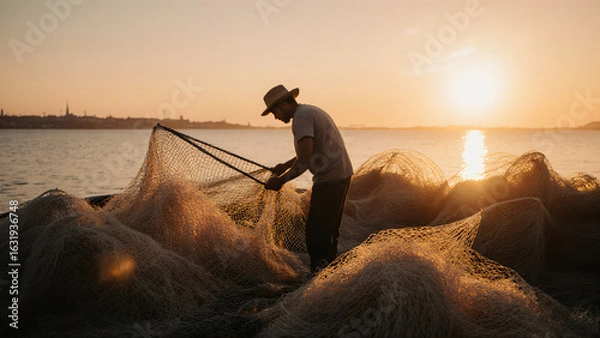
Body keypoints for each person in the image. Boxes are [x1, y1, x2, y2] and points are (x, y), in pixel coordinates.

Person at [261, 84, 353, 273]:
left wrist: (281, 181)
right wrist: (285, 166)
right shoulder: (309, 111)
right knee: (328, 232)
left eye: (274, 112)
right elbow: (308, 151)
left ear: (282, 104)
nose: (276, 117)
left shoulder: (301, 118)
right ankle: (329, 273)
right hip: (341, 175)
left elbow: (304, 160)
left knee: (316, 235)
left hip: (330, 179)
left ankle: (320, 277)